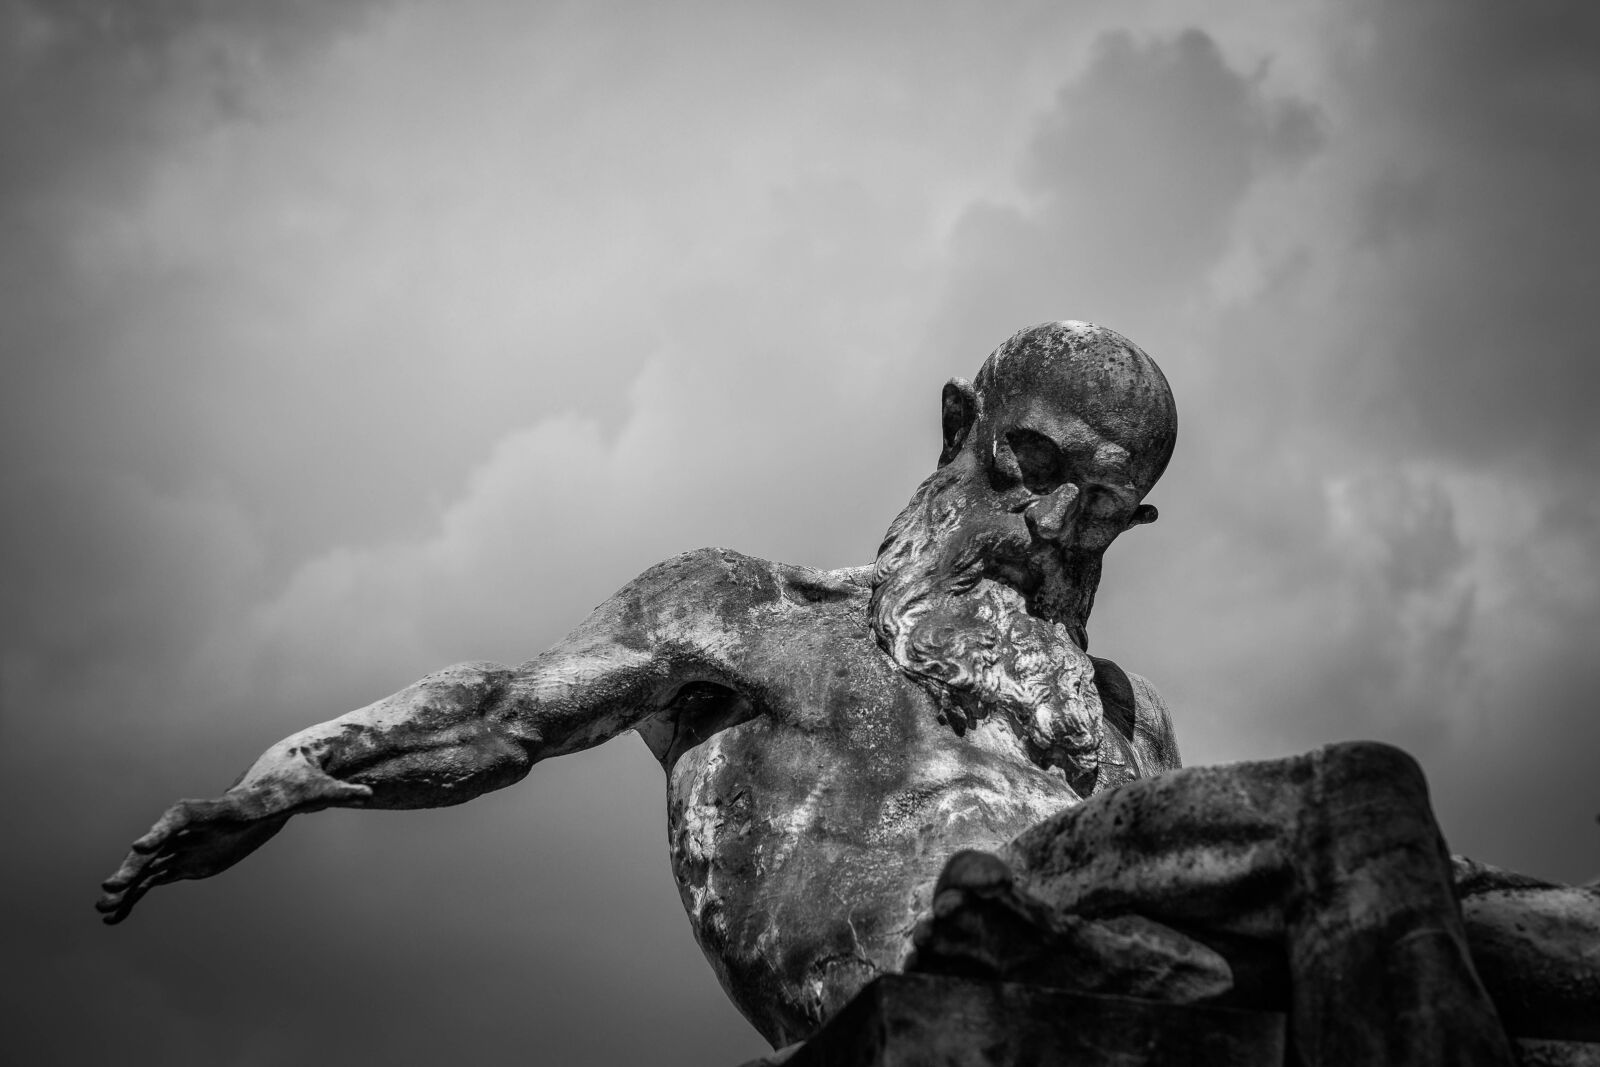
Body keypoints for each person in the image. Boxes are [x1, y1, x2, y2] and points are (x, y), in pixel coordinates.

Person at [100, 321, 1595, 1059]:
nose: (1051, 527)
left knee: (1476, 923)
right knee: (1364, 802)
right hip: (944, 964)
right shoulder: (748, 614)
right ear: (960, 427)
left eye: (1100, 510)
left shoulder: (1120, 717)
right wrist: (286, 778)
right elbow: (500, 714)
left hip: (1128, 969)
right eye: (1034, 470)